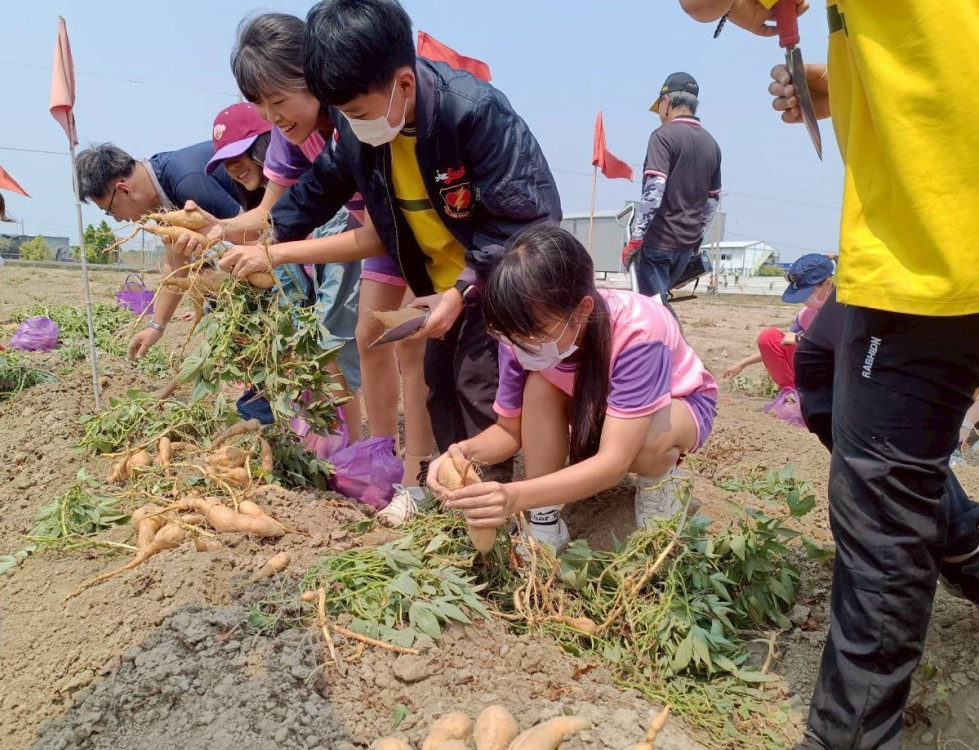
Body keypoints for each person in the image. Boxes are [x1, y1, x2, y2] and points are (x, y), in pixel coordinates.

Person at [685, 2, 979, 747]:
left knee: (879, 515)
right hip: (918, 229)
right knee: (817, 359)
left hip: (938, 245)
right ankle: (963, 542)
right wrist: (840, 85)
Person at [217, 0, 562, 525]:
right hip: (436, 286)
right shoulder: (361, 127)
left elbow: (526, 219)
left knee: (483, 394)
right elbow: (316, 189)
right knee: (441, 393)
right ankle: (462, 505)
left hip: (495, 284)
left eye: (356, 114)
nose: (350, 126)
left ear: (403, 84)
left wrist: (461, 290)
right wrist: (269, 238)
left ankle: (518, 515)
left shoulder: (473, 113)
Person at [223, 12, 428, 482]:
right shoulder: (290, 135)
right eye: (260, 105)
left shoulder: (358, 118)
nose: (273, 117)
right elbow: (273, 214)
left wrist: (275, 253)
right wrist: (217, 228)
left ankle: (417, 472)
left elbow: (373, 234)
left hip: (414, 230)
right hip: (381, 232)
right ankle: (381, 456)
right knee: (369, 335)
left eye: (279, 100)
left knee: (413, 342)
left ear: (315, 75)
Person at [426, 224, 717, 553]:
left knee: (648, 443)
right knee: (539, 384)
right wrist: (460, 453)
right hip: (597, 412)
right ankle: (545, 521)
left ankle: (657, 486)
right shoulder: (517, 335)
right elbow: (508, 431)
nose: (521, 345)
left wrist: (513, 496)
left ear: (583, 309)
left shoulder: (639, 331)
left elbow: (613, 463)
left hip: (676, 408)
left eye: (535, 332)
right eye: (511, 335)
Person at [200, 101, 363, 439]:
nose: (233, 167)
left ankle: (349, 443)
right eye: (225, 161)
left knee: (332, 345)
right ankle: (327, 436)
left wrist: (268, 253)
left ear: (265, 143)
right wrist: (214, 230)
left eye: (239, 153)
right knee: (309, 347)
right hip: (305, 270)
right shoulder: (266, 196)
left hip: (340, 252)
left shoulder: (317, 180)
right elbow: (264, 222)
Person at [75, 142, 242, 360]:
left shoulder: (188, 181)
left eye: (111, 211)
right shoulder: (162, 198)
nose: (118, 219)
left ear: (124, 190)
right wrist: (156, 326)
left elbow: (252, 234)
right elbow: (175, 263)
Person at [621, 72, 721, 308]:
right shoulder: (711, 144)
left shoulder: (663, 137)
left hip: (659, 243)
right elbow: (712, 201)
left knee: (654, 311)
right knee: (661, 303)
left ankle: (673, 334)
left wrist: (636, 238)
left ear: (666, 102)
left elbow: (654, 190)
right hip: (684, 247)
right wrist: (695, 238)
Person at [723, 254, 834, 392]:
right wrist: (742, 364)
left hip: (835, 375)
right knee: (768, 337)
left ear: (828, 284)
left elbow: (842, 346)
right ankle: (792, 391)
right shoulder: (805, 316)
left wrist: (800, 338)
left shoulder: (844, 310)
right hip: (810, 372)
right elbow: (780, 346)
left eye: (808, 293)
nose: (805, 299)